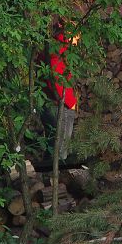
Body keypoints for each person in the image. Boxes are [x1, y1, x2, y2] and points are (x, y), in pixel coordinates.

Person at [41, 27, 80, 161]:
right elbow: (55, 81)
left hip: (52, 102)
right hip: (59, 105)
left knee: (53, 146)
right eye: (77, 36)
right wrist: (70, 102)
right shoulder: (58, 52)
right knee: (60, 149)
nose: (78, 40)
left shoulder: (55, 49)